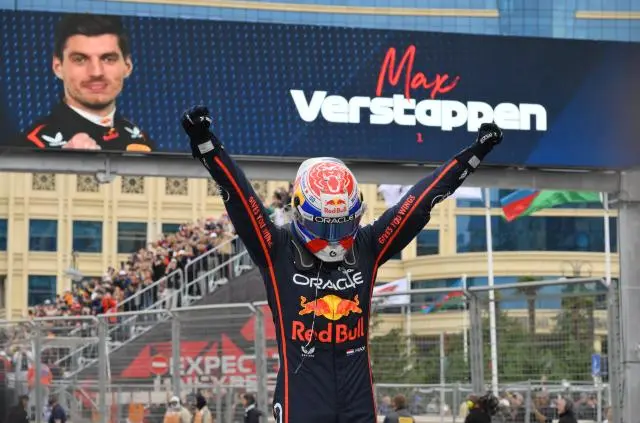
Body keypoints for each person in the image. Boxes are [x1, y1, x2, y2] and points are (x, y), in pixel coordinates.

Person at [181, 105, 503, 423]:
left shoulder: (368, 245)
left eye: (343, 225)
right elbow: (241, 198)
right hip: (301, 399)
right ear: (299, 211)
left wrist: (473, 155)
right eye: (323, 226)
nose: (333, 238)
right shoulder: (276, 248)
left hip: (357, 398)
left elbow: (418, 203)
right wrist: (207, 145)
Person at [20, 14, 154, 152]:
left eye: (108, 59)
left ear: (127, 66)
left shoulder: (140, 140)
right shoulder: (29, 147)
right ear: (58, 67)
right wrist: (60, 163)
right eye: (80, 59)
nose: (96, 72)